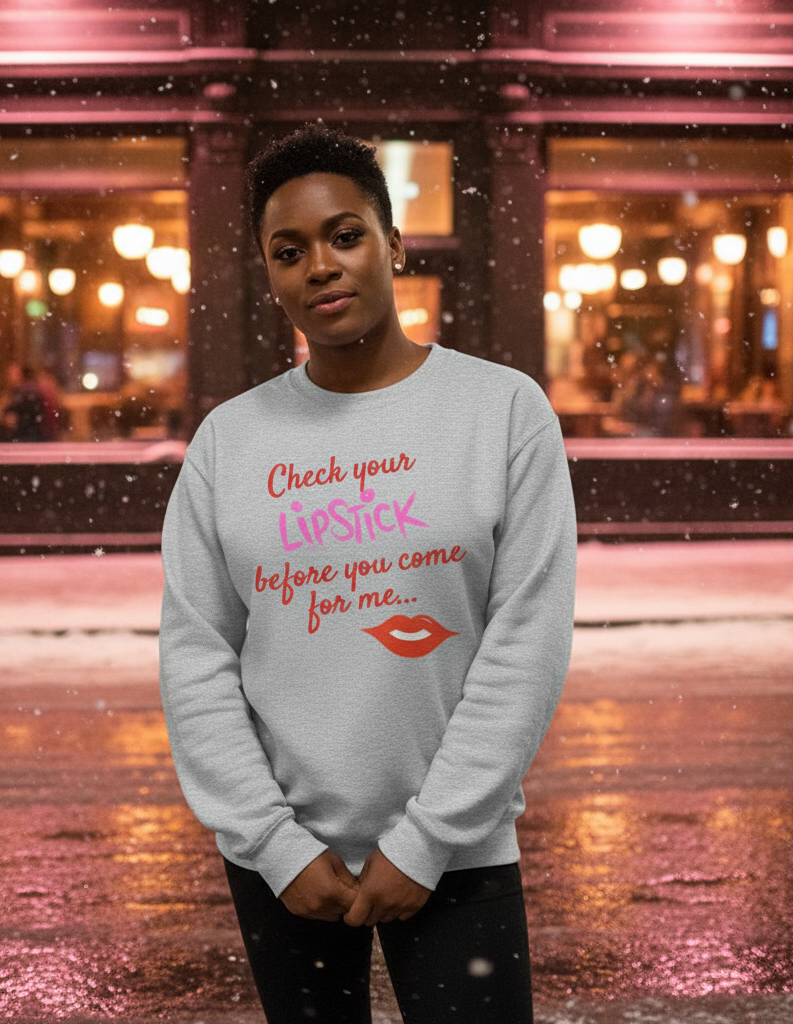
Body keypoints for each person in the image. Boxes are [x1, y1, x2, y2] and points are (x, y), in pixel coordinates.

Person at [159, 123, 577, 1024]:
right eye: (288, 251)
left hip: (460, 854)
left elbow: (525, 644)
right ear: (268, 276)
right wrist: (273, 844)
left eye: (345, 236)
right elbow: (196, 660)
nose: (321, 266)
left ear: (393, 244)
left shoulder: (502, 412)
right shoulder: (231, 444)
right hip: (286, 865)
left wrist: (426, 840)